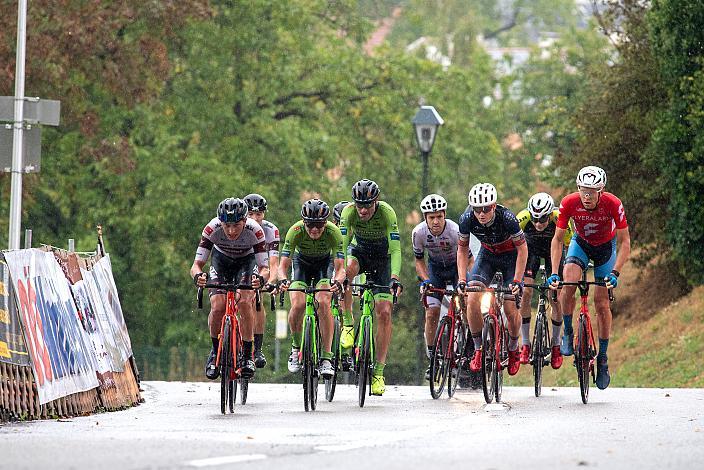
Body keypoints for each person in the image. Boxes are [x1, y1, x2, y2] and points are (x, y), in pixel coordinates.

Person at [548, 166, 630, 390]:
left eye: (592, 191)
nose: (587, 196)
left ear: (601, 191)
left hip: (605, 249)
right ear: (578, 189)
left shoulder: (613, 203)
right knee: (568, 282)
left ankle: (602, 357)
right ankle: (568, 332)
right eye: (583, 190)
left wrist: (616, 272)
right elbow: (557, 240)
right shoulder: (569, 202)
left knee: (601, 304)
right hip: (580, 245)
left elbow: (625, 243)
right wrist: (554, 271)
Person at [190, 197, 270, 380]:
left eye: (236, 225)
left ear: (244, 221)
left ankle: (248, 354)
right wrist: (198, 277)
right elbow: (196, 265)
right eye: (227, 226)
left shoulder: (255, 231)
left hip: (246, 262)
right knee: (218, 305)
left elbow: (265, 269)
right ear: (220, 223)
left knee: (245, 302)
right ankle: (215, 352)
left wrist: (260, 280)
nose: (232, 231)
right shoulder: (211, 229)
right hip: (221, 261)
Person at [339, 179, 402, 396]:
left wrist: (394, 277)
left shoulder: (387, 213)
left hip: (383, 259)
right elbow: (343, 246)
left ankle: (378, 372)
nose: (363, 210)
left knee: (384, 311)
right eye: (359, 205)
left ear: (376, 201)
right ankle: (347, 322)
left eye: (368, 205)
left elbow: (395, 249)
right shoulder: (348, 213)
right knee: (345, 272)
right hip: (360, 253)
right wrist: (339, 275)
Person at [457, 183, 527, 377]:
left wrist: (518, 281)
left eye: (486, 208)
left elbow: (523, 249)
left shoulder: (508, 218)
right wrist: (462, 278)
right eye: (477, 209)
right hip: (487, 257)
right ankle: (479, 349)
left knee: (510, 308)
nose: (481, 213)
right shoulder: (466, 219)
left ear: (494, 206)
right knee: (472, 300)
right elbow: (462, 250)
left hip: (510, 259)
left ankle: (513, 348)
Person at [278, 199, 347, 379]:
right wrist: (283, 280)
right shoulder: (295, 231)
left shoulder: (334, 232)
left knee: (324, 302)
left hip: (324, 265)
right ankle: (295, 347)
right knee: (298, 305)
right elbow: (282, 265)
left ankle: (326, 357)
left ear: (325, 223)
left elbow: (340, 268)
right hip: (301, 265)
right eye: (310, 225)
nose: (314, 230)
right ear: (304, 222)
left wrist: (338, 282)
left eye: (319, 225)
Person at [515, 192, 573, 369]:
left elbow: (569, 246)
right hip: (530, 252)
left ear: (550, 215)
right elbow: (514, 246)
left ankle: (556, 345)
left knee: (555, 296)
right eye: (535, 219)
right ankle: (525, 344)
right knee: (526, 292)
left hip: (553, 254)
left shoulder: (559, 218)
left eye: (543, 219)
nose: (539, 224)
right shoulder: (522, 218)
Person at [412, 194, 464, 380]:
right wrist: (426, 280)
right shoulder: (418, 233)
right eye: (431, 217)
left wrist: (464, 281)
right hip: (436, 271)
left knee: (464, 306)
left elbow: (469, 257)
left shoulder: (455, 230)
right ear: (425, 217)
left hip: (457, 268)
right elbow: (419, 261)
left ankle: (465, 348)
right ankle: (433, 356)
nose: (435, 221)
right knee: (431, 312)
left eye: (439, 217)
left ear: (444, 215)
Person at [244, 193, 280, 369]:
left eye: (258, 214)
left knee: (257, 299)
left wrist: (270, 282)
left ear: (264, 214)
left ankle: (256, 349)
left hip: (261, 266)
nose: (254, 218)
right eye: (250, 214)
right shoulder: (239, 227)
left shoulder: (270, 230)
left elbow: (273, 263)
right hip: (243, 264)